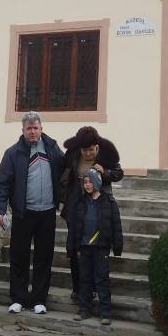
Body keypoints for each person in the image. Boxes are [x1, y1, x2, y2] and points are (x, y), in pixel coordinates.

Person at [0, 111, 65, 315]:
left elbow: (66, 169)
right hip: (23, 214)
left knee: (44, 257)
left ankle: (39, 300)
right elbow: (3, 184)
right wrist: (0, 209)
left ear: (41, 129)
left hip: (47, 213)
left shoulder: (52, 149)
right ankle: (18, 299)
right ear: (23, 130)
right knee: (19, 257)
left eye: (35, 128)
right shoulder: (13, 153)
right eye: (29, 128)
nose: (32, 131)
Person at [59, 126, 123, 301]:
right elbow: (63, 171)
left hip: (98, 207)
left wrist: (105, 172)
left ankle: (95, 288)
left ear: (97, 147)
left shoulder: (106, 154)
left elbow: (119, 173)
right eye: (84, 150)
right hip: (76, 206)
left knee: (95, 247)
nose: (87, 153)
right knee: (75, 249)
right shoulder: (72, 154)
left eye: (91, 150)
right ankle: (78, 288)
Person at [68, 168, 123, 325]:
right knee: (84, 279)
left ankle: (105, 313)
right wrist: (71, 247)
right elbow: (74, 227)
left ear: (97, 183)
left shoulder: (109, 202)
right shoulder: (80, 202)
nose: (87, 185)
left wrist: (117, 245)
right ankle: (84, 310)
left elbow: (116, 225)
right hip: (84, 247)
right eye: (85, 182)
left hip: (101, 247)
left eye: (90, 182)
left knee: (102, 279)